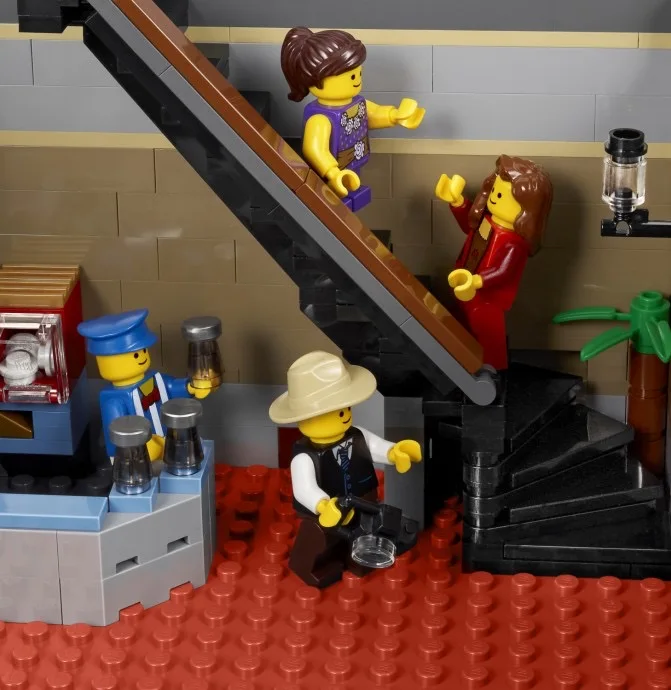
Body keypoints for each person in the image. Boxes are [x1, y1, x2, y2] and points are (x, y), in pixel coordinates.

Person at [269, 351, 421, 587]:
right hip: (329, 511)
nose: (345, 414)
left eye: (345, 408)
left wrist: (393, 452)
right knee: (320, 538)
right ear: (307, 417)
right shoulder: (305, 457)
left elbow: (375, 446)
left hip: (364, 498)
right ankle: (309, 566)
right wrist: (322, 504)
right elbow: (304, 489)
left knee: (364, 529)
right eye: (337, 410)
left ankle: (357, 558)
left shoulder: (356, 434)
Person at [281, 27, 425, 211]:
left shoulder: (356, 103)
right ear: (316, 80)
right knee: (334, 208)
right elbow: (314, 150)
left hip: (352, 164)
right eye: (351, 76)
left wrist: (394, 116)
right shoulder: (320, 118)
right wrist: (333, 173)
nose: (357, 79)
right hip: (330, 176)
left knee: (354, 200)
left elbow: (372, 114)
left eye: (359, 73)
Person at [435, 156, 553, 370]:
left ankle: (493, 371)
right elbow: (469, 228)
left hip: (486, 298)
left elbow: (502, 271)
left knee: (488, 333)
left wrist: (476, 281)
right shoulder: (487, 221)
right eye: (495, 191)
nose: (495, 198)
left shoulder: (514, 243)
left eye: (501, 195)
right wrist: (457, 202)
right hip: (465, 285)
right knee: (462, 323)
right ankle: (462, 360)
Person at [77, 309, 211, 461]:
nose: (142, 356)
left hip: (167, 443)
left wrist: (190, 387)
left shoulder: (154, 378)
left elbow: (170, 387)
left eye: (143, 350)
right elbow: (115, 432)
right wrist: (139, 445)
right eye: (135, 354)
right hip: (136, 460)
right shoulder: (114, 400)